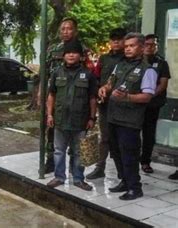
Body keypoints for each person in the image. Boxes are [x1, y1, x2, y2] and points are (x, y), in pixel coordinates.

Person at [98, 33, 157, 200]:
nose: (128, 49)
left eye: (132, 46)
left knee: (129, 154)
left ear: (142, 47)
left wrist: (127, 97)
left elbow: (147, 96)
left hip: (130, 120)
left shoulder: (148, 70)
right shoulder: (120, 65)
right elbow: (111, 82)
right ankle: (124, 180)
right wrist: (105, 88)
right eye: (127, 46)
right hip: (113, 116)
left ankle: (134, 187)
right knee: (116, 152)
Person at [45, 39, 97, 191]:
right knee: (59, 151)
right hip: (60, 120)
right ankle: (59, 177)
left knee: (78, 152)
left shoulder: (88, 75)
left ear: (80, 56)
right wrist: (49, 115)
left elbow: (93, 98)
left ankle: (78, 179)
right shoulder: (57, 73)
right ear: (63, 56)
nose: (71, 55)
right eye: (68, 53)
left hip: (80, 121)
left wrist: (92, 118)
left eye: (74, 53)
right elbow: (51, 95)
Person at [43, 18, 92, 173]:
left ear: (75, 30)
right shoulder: (53, 49)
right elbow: (44, 72)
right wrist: (40, 92)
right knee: (52, 130)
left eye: (69, 28)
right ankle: (51, 161)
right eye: (62, 29)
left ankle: (74, 165)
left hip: (77, 97)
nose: (65, 32)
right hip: (55, 93)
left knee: (76, 131)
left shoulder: (83, 50)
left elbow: (89, 74)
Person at [86, 28, 127, 180]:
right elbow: (95, 78)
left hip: (124, 106)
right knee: (104, 138)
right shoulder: (103, 59)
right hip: (105, 104)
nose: (115, 41)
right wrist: (97, 92)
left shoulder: (129, 59)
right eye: (113, 39)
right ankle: (100, 167)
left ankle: (124, 172)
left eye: (119, 38)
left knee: (121, 140)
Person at [140, 34, 171, 174]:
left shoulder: (161, 63)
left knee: (148, 134)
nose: (150, 47)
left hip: (152, 104)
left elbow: (163, 84)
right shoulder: (136, 61)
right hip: (135, 104)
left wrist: (148, 96)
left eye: (153, 45)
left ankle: (145, 161)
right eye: (147, 44)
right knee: (132, 133)